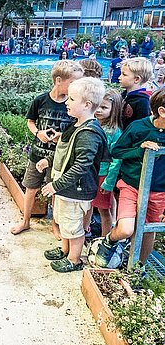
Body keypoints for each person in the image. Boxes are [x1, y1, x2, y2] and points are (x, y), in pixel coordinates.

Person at [38, 77, 109, 272]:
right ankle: (64, 249)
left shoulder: (88, 133)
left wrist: (56, 185)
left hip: (75, 190)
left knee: (73, 226)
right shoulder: (76, 124)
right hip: (66, 189)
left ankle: (74, 259)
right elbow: (66, 154)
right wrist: (49, 161)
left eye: (71, 99)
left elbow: (80, 166)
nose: (66, 102)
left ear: (87, 105)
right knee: (64, 221)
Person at [10, 59, 84, 236]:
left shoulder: (72, 104)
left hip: (59, 159)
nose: (77, 87)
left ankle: (55, 225)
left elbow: (77, 128)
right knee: (31, 188)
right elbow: (30, 121)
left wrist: (62, 137)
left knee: (55, 191)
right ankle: (25, 221)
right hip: (37, 155)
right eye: (73, 82)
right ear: (59, 80)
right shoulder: (41, 100)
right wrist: (38, 133)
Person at [94, 87, 165, 267]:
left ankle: (136, 268)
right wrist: (140, 149)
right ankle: (109, 239)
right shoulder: (138, 127)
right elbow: (117, 150)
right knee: (126, 229)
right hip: (131, 185)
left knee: (149, 230)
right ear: (162, 112)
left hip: (159, 191)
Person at [84, 89, 122, 237]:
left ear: (114, 109)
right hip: (89, 172)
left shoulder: (114, 132)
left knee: (103, 210)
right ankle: (84, 231)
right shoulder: (91, 124)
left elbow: (117, 159)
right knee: (86, 205)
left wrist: (109, 181)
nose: (99, 110)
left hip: (102, 175)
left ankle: (105, 239)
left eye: (104, 107)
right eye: (97, 105)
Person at [119, 57, 153, 130]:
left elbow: (142, 127)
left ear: (137, 79)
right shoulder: (124, 95)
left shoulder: (143, 101)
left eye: (124, 75)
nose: (119, 77)